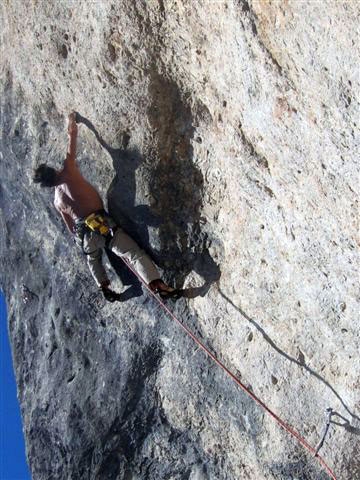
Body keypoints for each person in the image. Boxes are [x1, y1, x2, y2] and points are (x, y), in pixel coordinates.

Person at [33, 112, 181, 302]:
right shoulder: (68, 168)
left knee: (93, 259)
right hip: (102, 224)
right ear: (52, 170)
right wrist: (72, 119)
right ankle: (158, 285)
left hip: (84, 234)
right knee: (133, 254)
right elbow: (72, 134)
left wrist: (85, 241)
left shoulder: (56, 201)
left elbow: (71, 228)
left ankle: (102, 285)